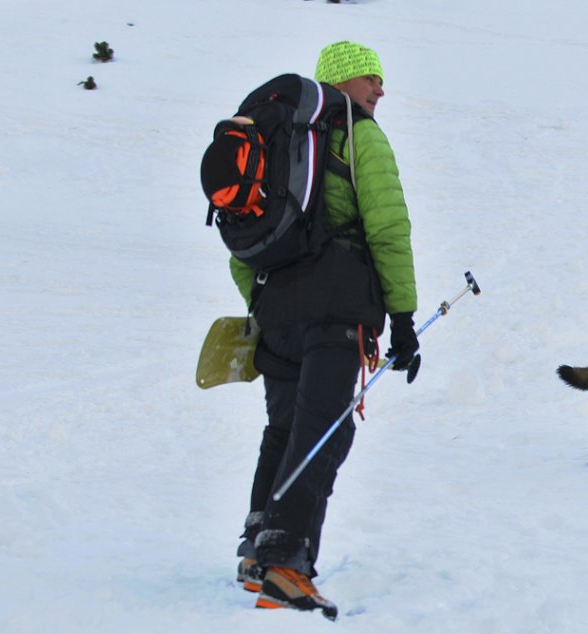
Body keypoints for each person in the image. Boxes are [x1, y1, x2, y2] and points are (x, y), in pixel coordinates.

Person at [230, 41, 419, 618]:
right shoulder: (358, 135)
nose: (380, 90)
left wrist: (268, 304)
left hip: (276, 310)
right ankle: (285, 565)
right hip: (338, 310)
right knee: (324, 431)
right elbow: (388, 228)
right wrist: (403, 317)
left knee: (285, 428)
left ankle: (255, 552)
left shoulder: (276, 139)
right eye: (371, 78)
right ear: (342, 80)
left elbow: (242, 246)